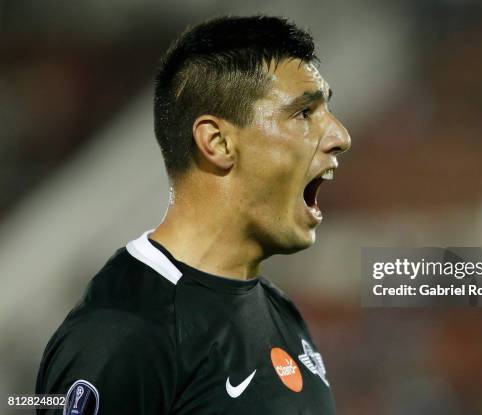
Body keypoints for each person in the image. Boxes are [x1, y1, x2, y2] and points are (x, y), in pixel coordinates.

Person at [35, 15, 351, 415]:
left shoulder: (278, 309)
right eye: (304, 113)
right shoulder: (123, 333)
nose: (340, 135)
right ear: (217, 142)